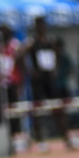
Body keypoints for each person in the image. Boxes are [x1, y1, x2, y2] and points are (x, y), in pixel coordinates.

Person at [18, 16, 70, 151]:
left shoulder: (51, 40)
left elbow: (58, 54)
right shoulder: (32, 42)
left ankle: (66, 137)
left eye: (43, 25)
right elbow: (19, 55)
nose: (42, 27)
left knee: (57, 107)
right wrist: (29, 71)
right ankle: (40, 140)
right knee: (37, 109)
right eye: (39, 25)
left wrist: (56, 69)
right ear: (36, 27)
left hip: (49, 79)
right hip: (38, 80)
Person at [0, 25, 23, 136]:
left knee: (15, 107)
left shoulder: (14, 44)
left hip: (14, 80)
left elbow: (20, 60)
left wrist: (20, 81)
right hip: (1, 82)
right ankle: (6, 133)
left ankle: (17, 132)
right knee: (3, 108)